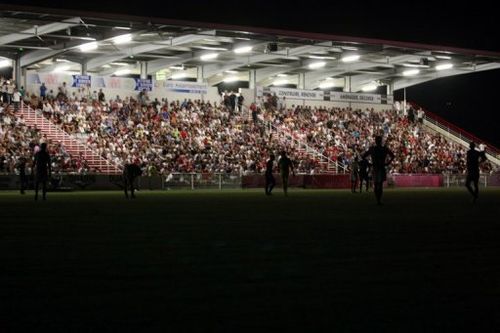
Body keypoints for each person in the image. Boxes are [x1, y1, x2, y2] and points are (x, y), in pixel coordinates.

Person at [362, 136, 394, 205]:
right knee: (380, 185)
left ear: (376, 141)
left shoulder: (373, 149)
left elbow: (363, 156)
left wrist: (369, 164)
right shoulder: (384, 149)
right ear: (380, 141)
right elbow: (392, 156)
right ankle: (378, 200)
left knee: (376, 184)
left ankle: (378, 200)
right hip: (381, 167)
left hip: (375, 167)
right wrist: (387, 163)